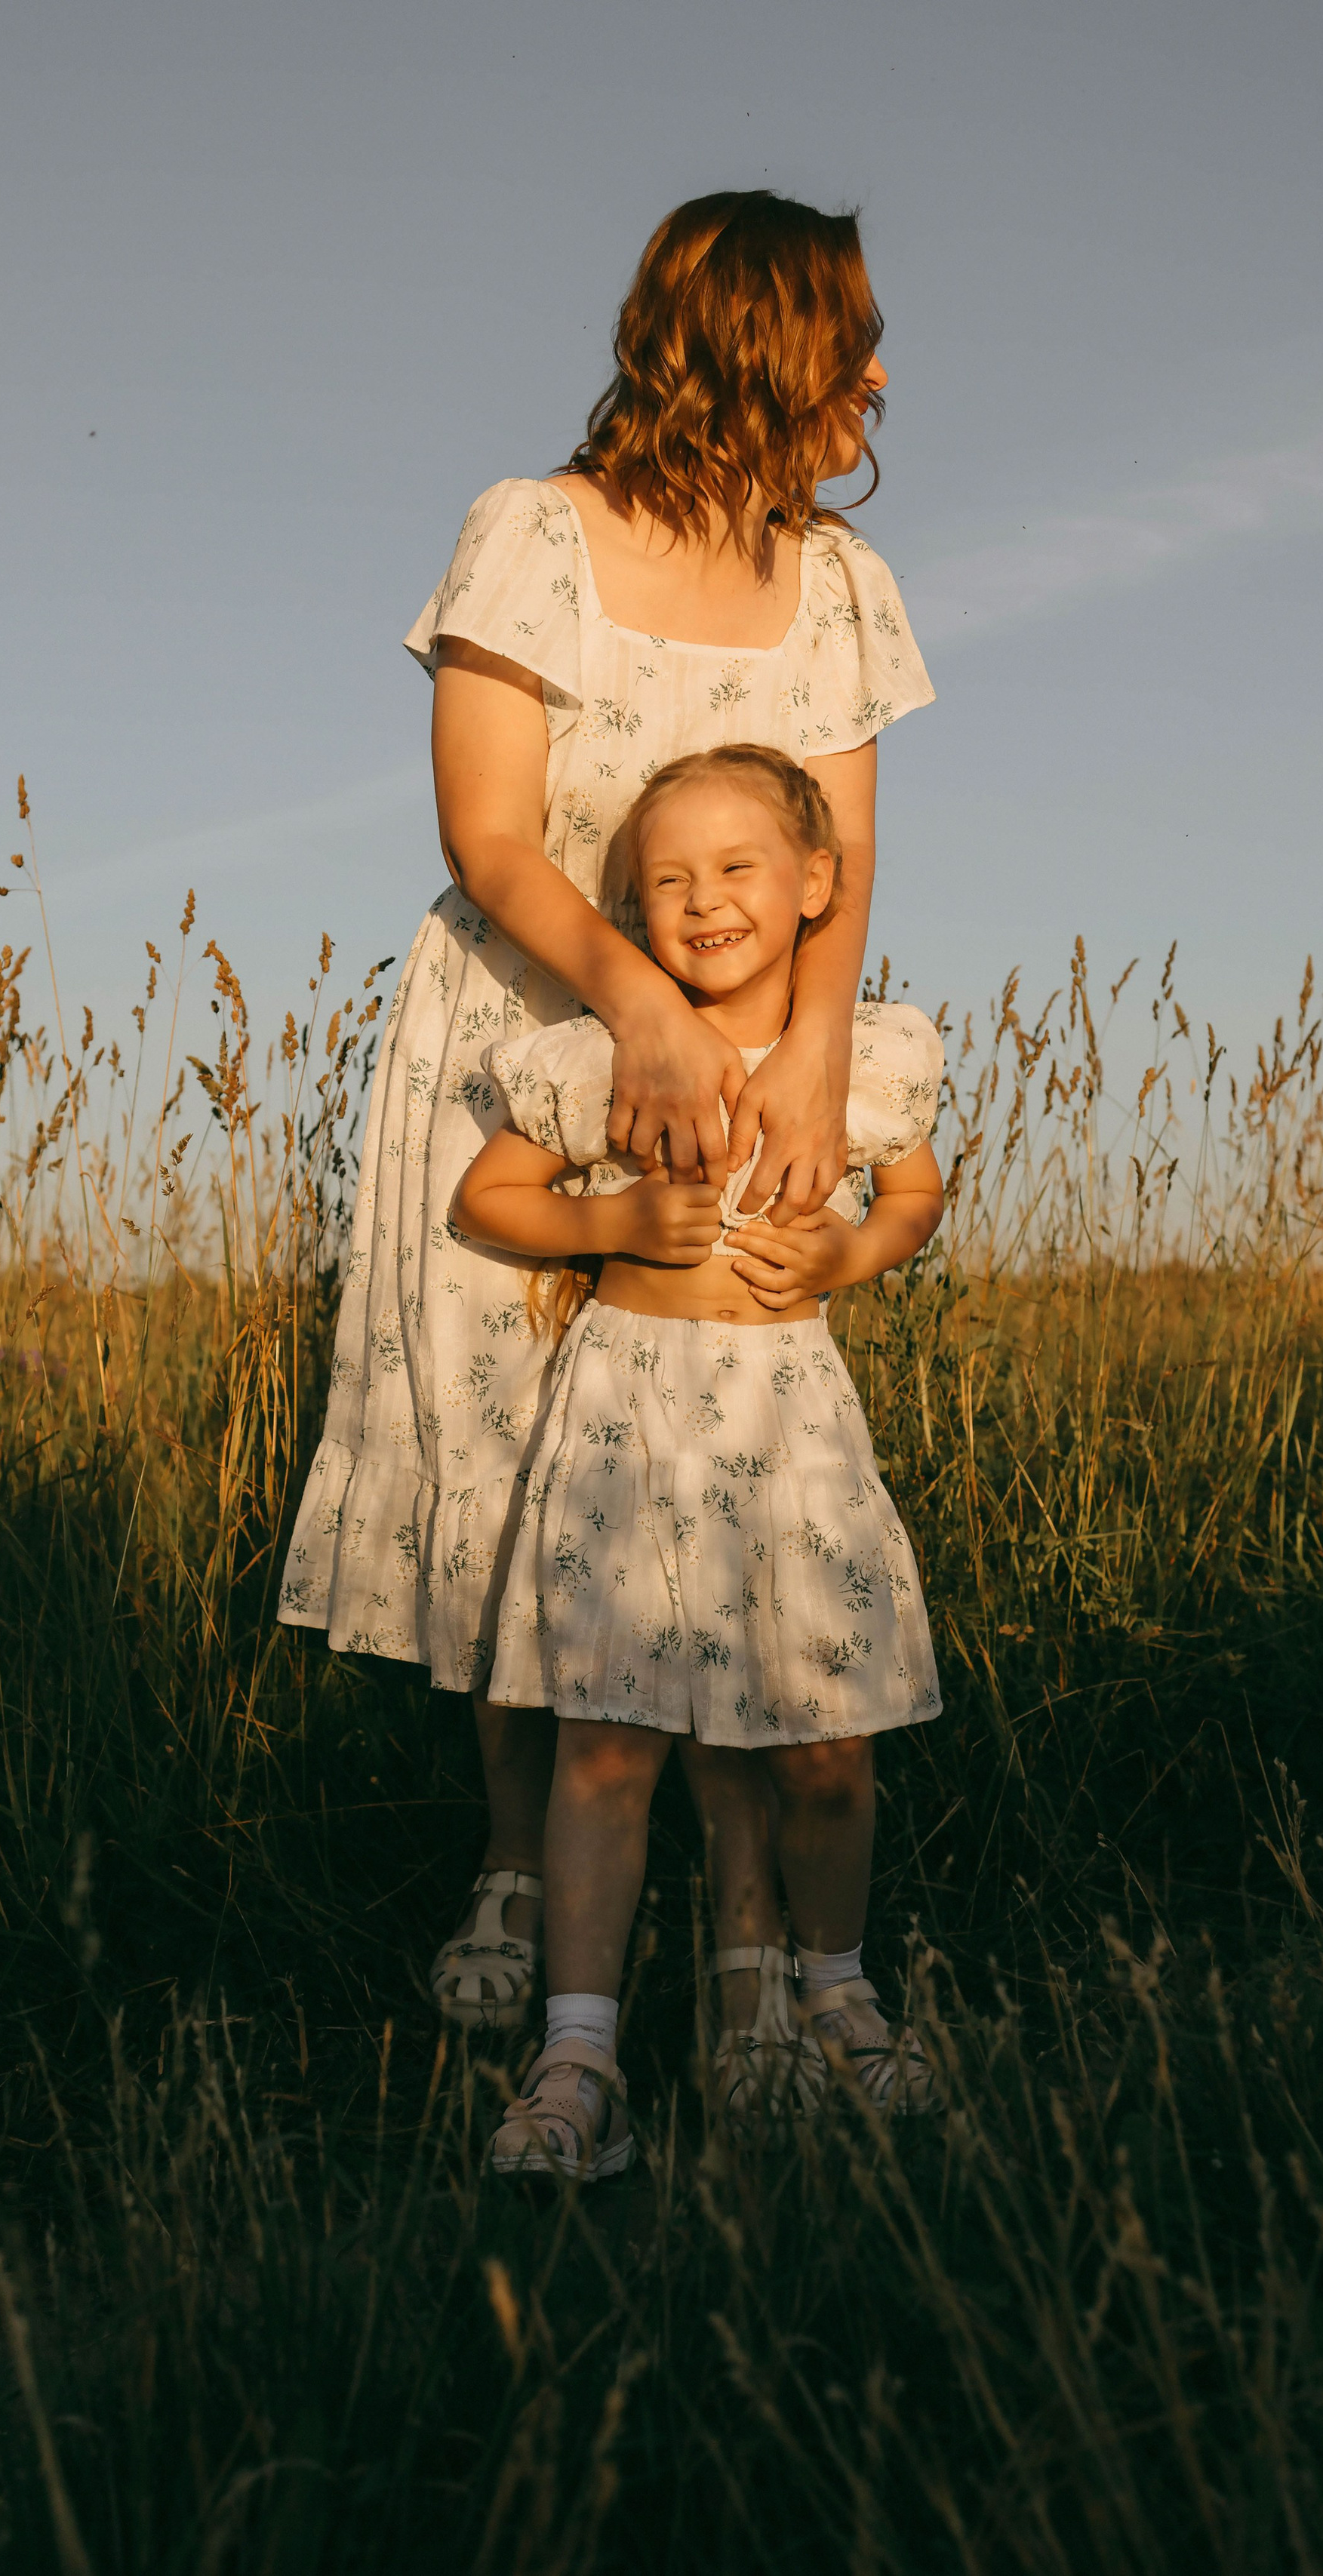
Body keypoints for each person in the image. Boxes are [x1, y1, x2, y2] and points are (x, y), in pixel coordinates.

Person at [276, 191, 935, 2036]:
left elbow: (849, 849)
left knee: (708, 1473)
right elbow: (489, 834)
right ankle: (511, 1869)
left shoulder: (843, 587)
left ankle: (739, 1925)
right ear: (755, 342)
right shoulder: (530, 537)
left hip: (746, 1052)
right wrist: (632, 1004)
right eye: (849, 336)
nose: (878, 373)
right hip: (529, 1038)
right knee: (513, 1482)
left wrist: (805, 1054)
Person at [452, 746, 945, 2181]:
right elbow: (493, 1194)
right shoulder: (604, 1057)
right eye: (666, 881)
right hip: (629, 1413)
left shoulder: (866, 1059)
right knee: (606, 1744)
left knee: (828, 1748)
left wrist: (851, 1248)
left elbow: (912, 1190)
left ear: (816, 885)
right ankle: (580, 2054)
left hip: (790, 1421)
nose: (702, 900)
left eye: (737, 869)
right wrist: (611, 1225)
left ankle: (836, 1986)